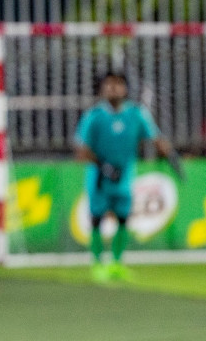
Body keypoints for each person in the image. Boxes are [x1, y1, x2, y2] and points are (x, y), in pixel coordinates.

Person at [73, 72, 181, 281]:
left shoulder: (136, 114)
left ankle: (116, 263)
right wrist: (102, 166)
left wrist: (169, 154)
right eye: (109, 85)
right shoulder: (94, 116)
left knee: (123, 218)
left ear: (125, 89)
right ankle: (97, 265)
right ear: (102, 89)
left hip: (124, 177)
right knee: (96, 218)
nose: (113, 89)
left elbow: (155, 138)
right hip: (99, 177)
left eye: (118, 85)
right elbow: (80, 149)